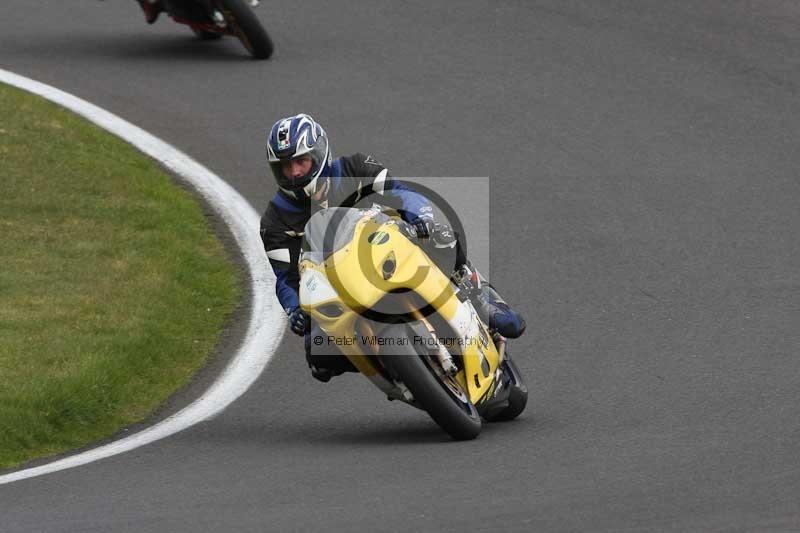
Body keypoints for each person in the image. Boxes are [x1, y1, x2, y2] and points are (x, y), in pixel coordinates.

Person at [259, 113, 525, 382]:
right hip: (340, 286)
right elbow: (286, 279)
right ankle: (395, 373)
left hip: (389, 249)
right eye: (285, 167)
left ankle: (484, 300)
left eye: (301, 162)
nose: (294, 173)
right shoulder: (274, 220)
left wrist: (421, 218)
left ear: (319, 155)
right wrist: (295, 310)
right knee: (318, 354)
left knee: (440, 236)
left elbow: (401, 193)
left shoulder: (356, 167)